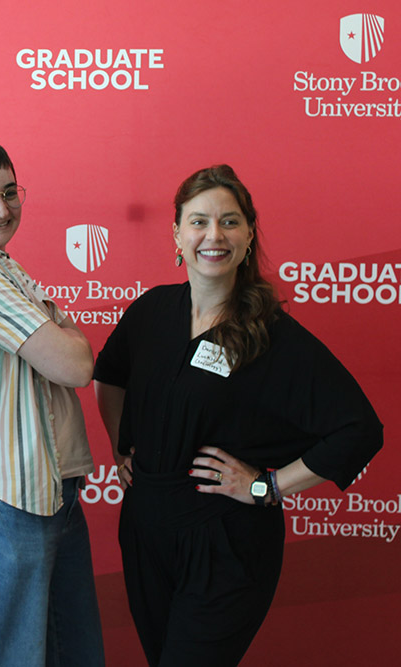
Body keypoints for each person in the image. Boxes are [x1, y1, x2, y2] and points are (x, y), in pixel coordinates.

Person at [92, 164, 382, 666]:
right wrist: (123, 448)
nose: (214, 235)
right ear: (177, 235)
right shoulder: (151, 312)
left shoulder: (269, 335)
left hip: (225, 545)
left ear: (249, 236)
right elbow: (109, 374)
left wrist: (267, 487)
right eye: (199, 221)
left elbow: (359, 429)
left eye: (229, 222)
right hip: (145, 533)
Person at [0, 138, 105, 667]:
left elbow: (74, 356)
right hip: (3, 496)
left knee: (71, 654)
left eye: (9, 193)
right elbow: (76, 364)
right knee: (11, 658)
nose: (2, 210)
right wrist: (62, 333)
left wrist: (64, 340)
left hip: (46, 486)